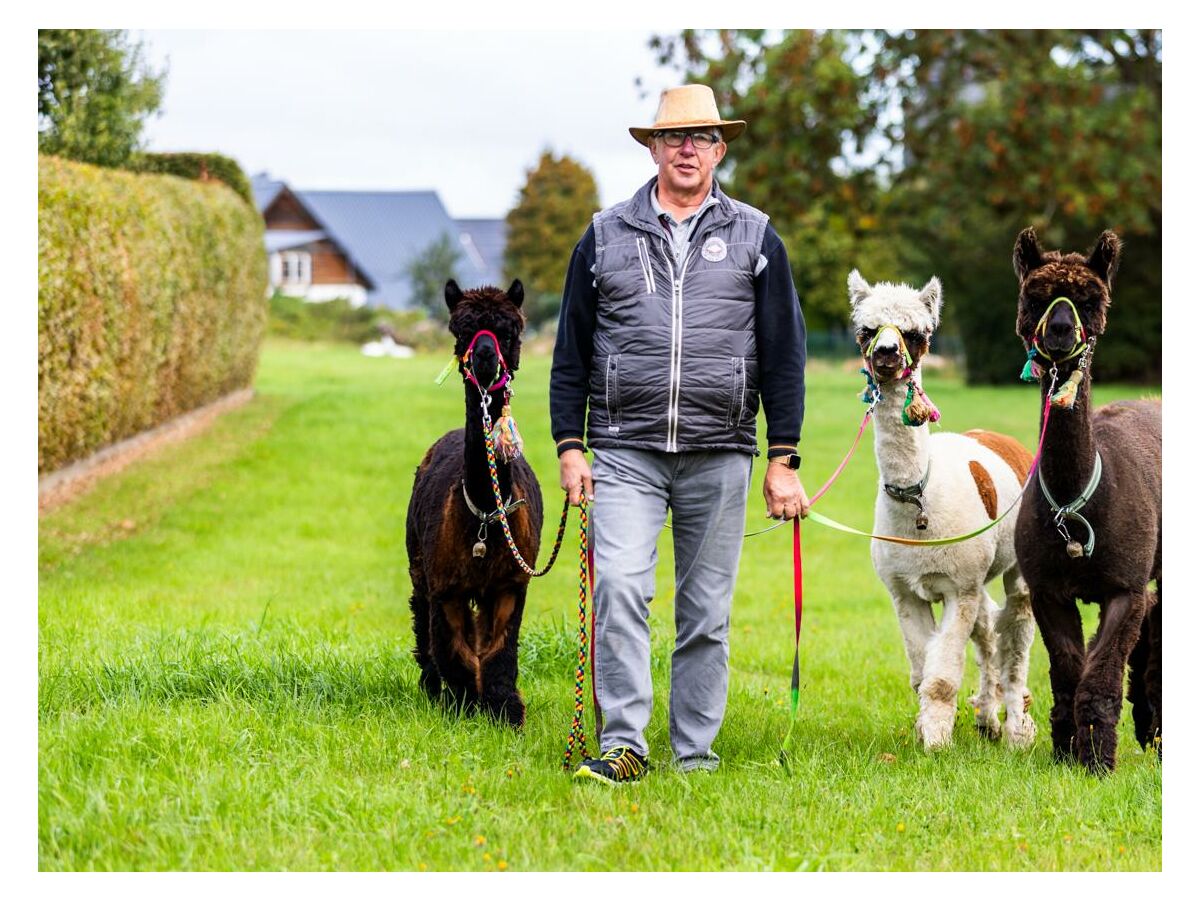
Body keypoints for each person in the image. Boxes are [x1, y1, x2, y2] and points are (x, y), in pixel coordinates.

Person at [550, 84, 809, 784]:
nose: (687, 149)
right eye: (673, 137)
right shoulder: (604, 234)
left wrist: (783, 457)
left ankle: (695, 753)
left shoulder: (756, 237)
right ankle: (625, 745)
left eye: (701, 138)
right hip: (623, 449)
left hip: (720, 450)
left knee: (705, 613)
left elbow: (784, 353)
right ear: (654, 149)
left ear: (720, 150)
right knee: (619, 590)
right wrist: (570, 446)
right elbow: (571, 351)